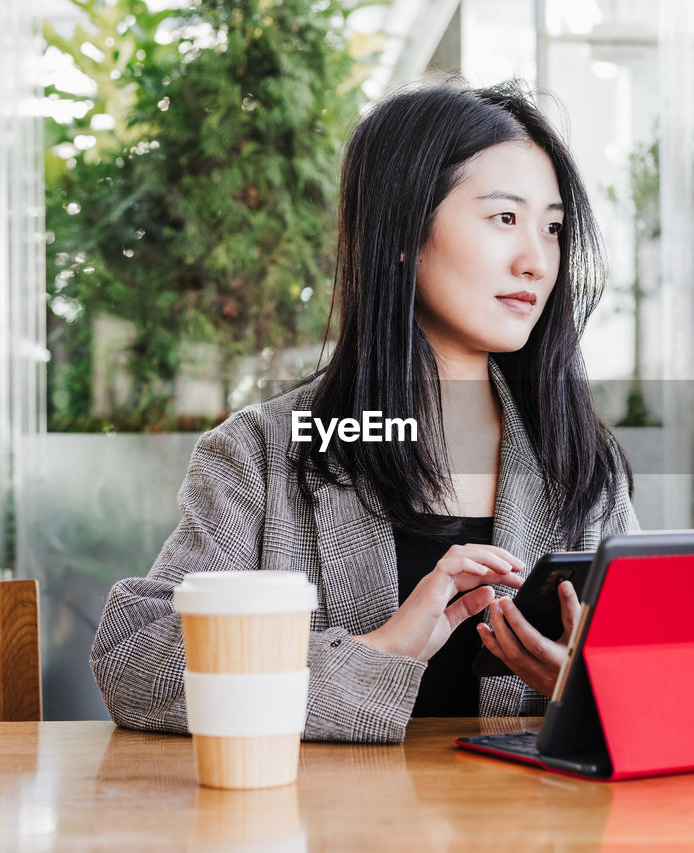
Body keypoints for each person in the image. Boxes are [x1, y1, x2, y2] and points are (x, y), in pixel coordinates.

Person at [90, 80, 638, 743]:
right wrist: (382, 651)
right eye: (504, 219)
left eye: (552, 228)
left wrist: (588, 687)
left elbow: (663, 668)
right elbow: (136, 661)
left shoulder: (581, 459)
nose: (536, 261)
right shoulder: (263, 453)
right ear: (403, 232)